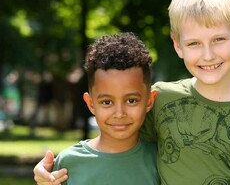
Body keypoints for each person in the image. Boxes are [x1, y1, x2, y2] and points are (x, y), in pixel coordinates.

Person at [34, 0, 230, 185]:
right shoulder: (161, 99)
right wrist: (51, 169)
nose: (208, 55)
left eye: (218, 39)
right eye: (194, 43)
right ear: (178, 45)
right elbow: (116, 138)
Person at [36, 32, 160, 185]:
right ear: (90, 103)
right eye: (107, 102)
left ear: (149, 101)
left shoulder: (162, 161)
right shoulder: (68, 164)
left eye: (131, 100)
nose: (119, 113)